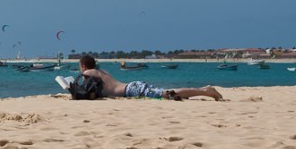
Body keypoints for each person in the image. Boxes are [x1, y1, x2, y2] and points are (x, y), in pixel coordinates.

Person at [78, 55, 223, 101]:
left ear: (83, 66)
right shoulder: (100, 72)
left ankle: (205, 91)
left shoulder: (89, 73)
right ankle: (204, 91)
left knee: (168, 94)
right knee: (167, 94)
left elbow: (79, 87)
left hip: (132, 90)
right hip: (132, 87)